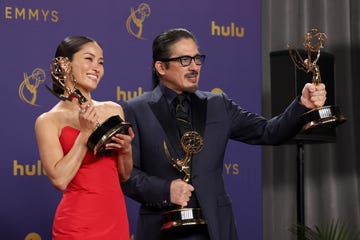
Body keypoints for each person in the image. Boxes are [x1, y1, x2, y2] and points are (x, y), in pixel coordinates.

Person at [121, 28, 327, 240]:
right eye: (184, 60)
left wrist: (302, 105)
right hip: (162, 228)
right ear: (161, 67)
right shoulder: (135, 110)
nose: (194, 67)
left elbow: (268, 131)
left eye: (197, 58)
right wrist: (166, 190)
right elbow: (127, 175)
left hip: (215, 229)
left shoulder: (218, 104)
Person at [34, 36, 134, 239]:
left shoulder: (113, 110)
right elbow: (60, 180)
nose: (96, 67)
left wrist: (126, 150)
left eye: (101, 62)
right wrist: (84, 135)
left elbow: (124, 175)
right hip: (77, 224)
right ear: (64, 64)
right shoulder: (48, 120)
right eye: (89, 59)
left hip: (115, 220)